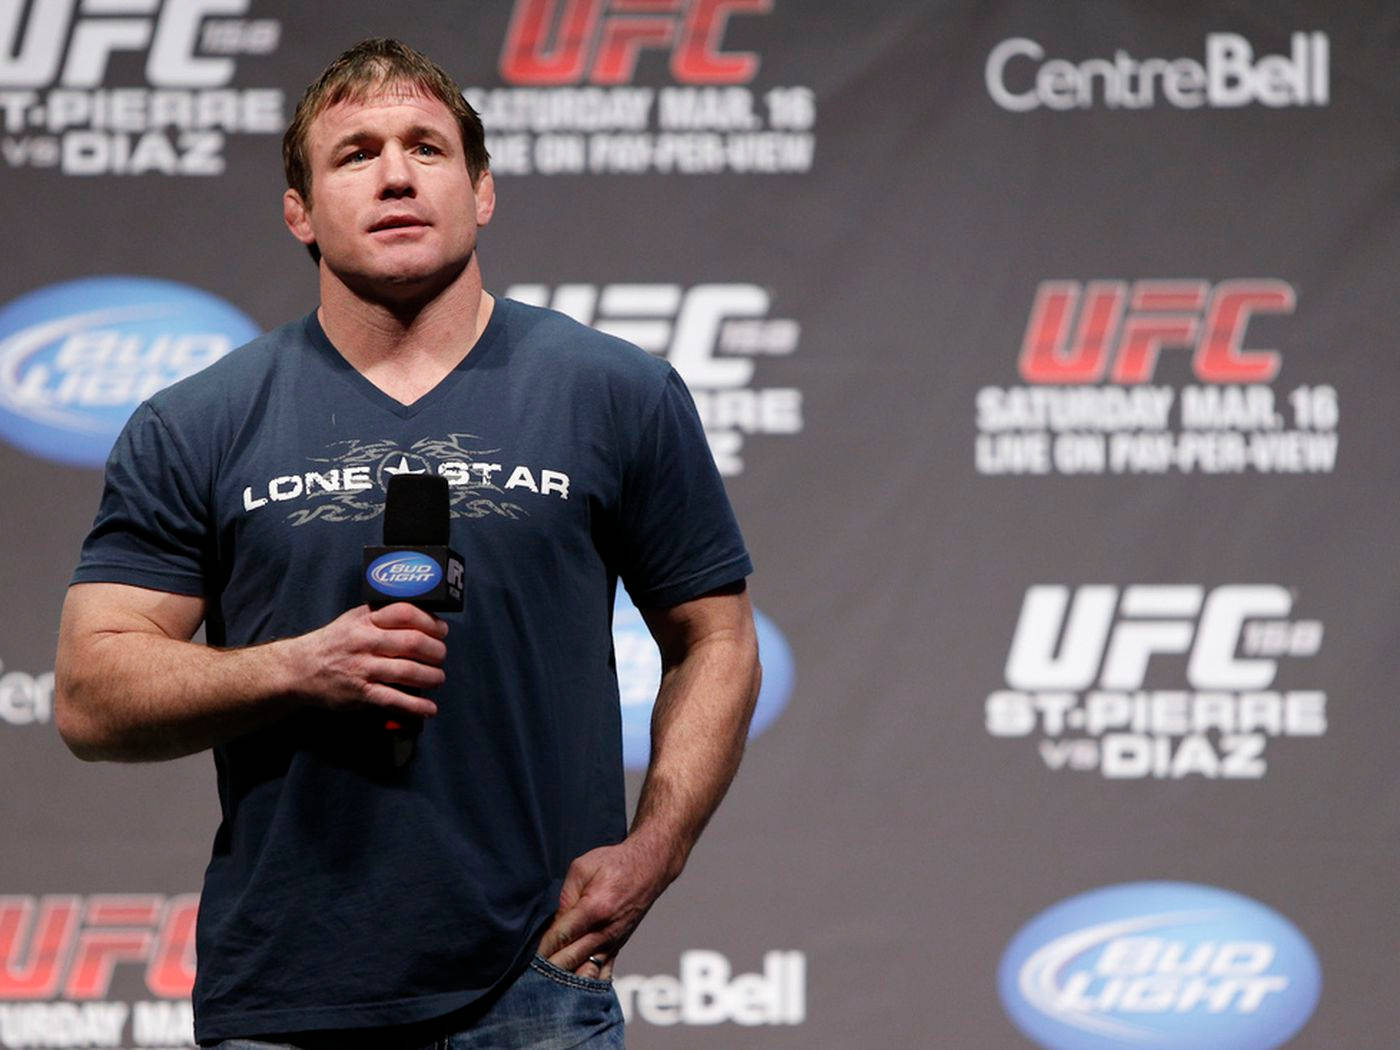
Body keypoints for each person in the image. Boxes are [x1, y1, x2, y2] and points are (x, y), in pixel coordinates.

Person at [54, 37, 760, 1050]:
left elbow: (716, 637)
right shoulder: (197, 423)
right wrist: (299, 666)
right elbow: (90, 693)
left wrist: (658, 847)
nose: (394, 175)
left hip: (536, 985)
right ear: (299, 212)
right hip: (286, 991)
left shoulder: (614, 392)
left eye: (425, 147)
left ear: (482, 191)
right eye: (355, 154)